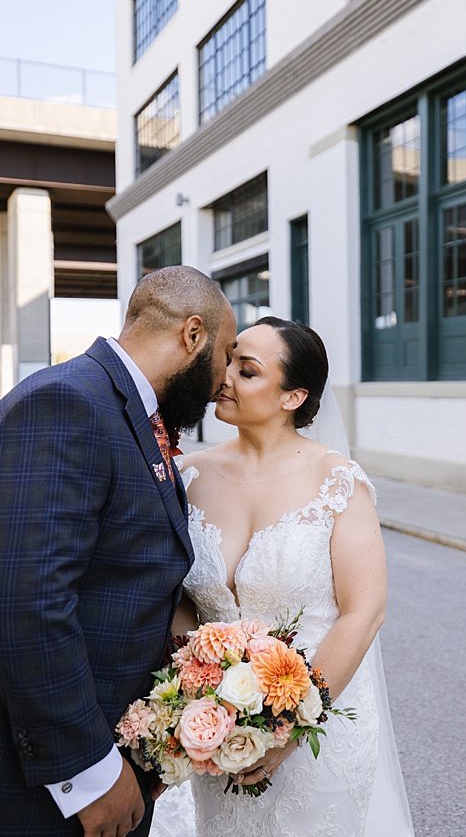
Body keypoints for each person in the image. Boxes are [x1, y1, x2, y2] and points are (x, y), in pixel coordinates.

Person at [146, 317, 412, 836]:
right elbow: (183, 598)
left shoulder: (336, 482)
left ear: (293, 397)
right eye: (228, 362)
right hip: (220, 726)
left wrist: (291, 729)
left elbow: (365, 611)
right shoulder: (190, 477)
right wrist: (188, 693)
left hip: (319, 727)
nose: (224, 378)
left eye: (247, 371)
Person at [0, 266, 238, 836]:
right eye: (227, 354)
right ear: (194, 335)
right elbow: (28, 600)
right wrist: (87, 772)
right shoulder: (67, 402)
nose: (223, 377)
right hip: (57, 786)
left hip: (121, 759)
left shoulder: (128, 410)